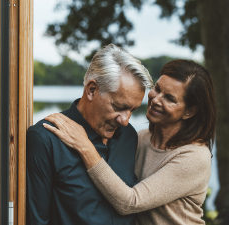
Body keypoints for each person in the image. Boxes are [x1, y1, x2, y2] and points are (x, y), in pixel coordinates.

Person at [44, 59, 217, 225]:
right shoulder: (137, 139)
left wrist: (85, 146)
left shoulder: (194, 157)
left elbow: (129, 203)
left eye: (170, 99)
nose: (156, 100)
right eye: (157, 88)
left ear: (189, 112)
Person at [26, 44, 153, 225]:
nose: (125, 120)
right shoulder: (45, 139)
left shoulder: (128, 135)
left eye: (133, 110)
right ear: (91, 90)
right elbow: (37, 220)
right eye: (118, 107)